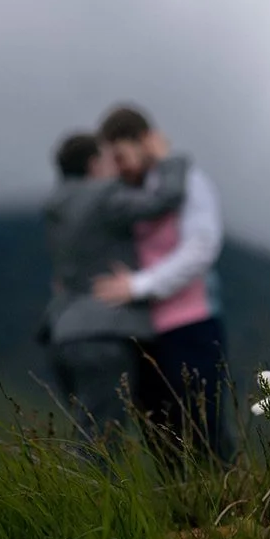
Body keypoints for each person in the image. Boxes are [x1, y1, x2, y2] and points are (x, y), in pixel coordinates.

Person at [90, 104, 232, 461]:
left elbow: (201, 247)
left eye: (121, 156)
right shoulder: (119, 196)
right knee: (161, 435)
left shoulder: (189, 182)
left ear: (143, 142)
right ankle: (186, 513)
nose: (118, 167)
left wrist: (139, 285)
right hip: (138, 332)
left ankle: (232, 509)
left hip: (191, 324)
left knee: (204, 430)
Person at [39, 128, 189, 446]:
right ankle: (89, 496)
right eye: (109, 159)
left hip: (63, 331)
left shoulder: (55, 205)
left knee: (86, 429)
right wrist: (170, 160)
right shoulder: (103, 196)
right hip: (105, 333)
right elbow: (163, 199)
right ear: (94, 164)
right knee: (101, 441)